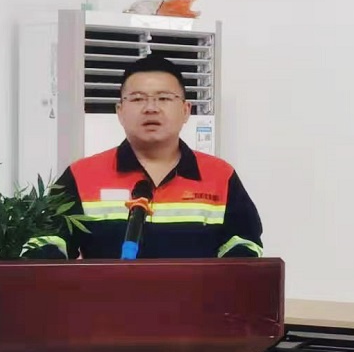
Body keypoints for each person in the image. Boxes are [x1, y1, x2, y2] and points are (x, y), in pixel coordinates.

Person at [25, 54, 263, 259]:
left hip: (196, 300)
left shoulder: (220, 176)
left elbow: (245, 243)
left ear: (185, 110)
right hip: (106, 299)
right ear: (120, 111)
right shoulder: (81, 175)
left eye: (164, 98)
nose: (151, 108)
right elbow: (45, 240)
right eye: (138, 99)